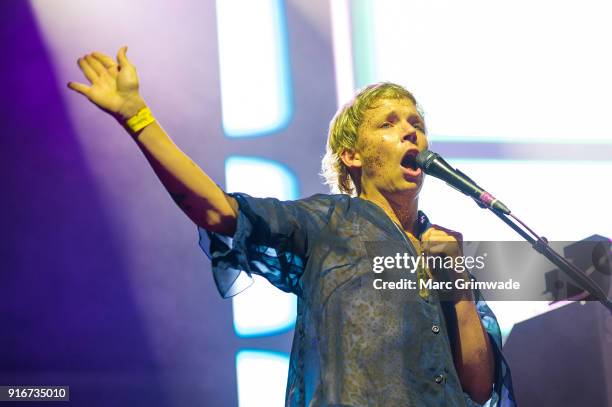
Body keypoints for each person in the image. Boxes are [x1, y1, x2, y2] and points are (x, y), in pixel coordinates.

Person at [68, 47, 517, 407]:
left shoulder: (443, 250)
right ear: (352, 156)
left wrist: (457, 288)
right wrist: (138, 118)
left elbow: (477, 390)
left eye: (416, 123)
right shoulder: (327, 222)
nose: (411, 132)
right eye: (389, 123)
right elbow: (217, 211)